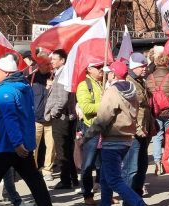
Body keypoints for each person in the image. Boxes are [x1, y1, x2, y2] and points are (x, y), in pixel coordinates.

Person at [0, 54, 52, 206]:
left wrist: (17, 143)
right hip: (22, 145)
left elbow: (10, 119)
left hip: (5, 147)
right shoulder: (24, 87)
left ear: (6, 73)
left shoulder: (5, 91)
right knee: (35, 180)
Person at [86, 61, 146, 206]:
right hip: (126, 138)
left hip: (112, 140)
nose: (107, 75)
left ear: (113, 74)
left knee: (114, 180)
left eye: (109, 72)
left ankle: (139, 203)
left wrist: (87, 135)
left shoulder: (112, 91)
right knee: (106, 179)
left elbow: (103, 118)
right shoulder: (132, 88)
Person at [122, 52, 156, 198]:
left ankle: (136, 195)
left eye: (145, 66)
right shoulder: (128, 84)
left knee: (142, 166)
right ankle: (128, 198)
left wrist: (152, 125)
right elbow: (127, 110)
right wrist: (136, 128)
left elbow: (145, 107)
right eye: (142, 66)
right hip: (133, 133)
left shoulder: (140, 82)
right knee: (131, 168)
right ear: (134, 67)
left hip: (144, 131)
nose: (145, 69)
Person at [44, 49, 78, 189]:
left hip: (62, 117)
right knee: (67, 149)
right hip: (66, 116)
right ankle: (73, 178)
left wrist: (54, 112)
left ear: (62, 60)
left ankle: (66, 180)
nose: (51, 61)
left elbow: (63, 98)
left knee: (62, 149)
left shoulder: (63, 73)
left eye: (54, 59)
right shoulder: (62, 73)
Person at [76, 62, 104, 205]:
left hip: (105, 129)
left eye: (102, 67)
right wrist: (106, 104)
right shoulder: (83, 86)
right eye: (98, 67)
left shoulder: (103, 83)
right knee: (87, 165)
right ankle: (88, 195)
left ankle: (106, 194)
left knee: (104, 164)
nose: (101, 69)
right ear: (89, 69)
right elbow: (86, 108)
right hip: (92, 129)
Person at [146, 54, 169, 175]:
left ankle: (158, 164)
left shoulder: (150, 77)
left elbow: (147, 92)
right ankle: (168, 162)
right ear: (167, 64)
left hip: (156, 111)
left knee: (158, 137)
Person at [30, 52, 56, 181]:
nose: (49, 66)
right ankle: (33, 170)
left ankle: (47, 170)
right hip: (35, 119)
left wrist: (52, 87)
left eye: (49, 63)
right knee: (33, 146)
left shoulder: (55, 77)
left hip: (50, 119)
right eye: (46, 64)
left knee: (51, 147)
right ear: (39, 64)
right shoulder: (31, 78)